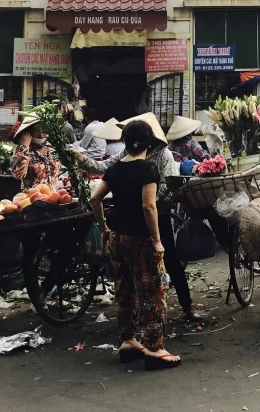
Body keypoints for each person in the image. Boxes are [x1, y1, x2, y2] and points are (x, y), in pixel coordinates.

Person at [77, 115, 202, 321]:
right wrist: (81, 159)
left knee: (169, 260)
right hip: (132, 217)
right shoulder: (125, 155)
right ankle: (141, 317)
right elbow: (102, 168)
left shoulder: (163, 156)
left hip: (156, 215)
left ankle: (186, 305)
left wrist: (144, 197)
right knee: (136, 270)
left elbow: (167, 186)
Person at [90, 119, 181, 369]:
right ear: (148, 142)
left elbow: (95, 198)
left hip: (118, 236)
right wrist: (157, 240)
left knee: (125, 290)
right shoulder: (147, 169)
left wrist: (104, 228)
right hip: (140, 239)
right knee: (152, 291)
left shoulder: (115, 169)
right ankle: (154, 348)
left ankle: (128, 340)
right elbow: (148, 206)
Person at [10, 115, 61, 189]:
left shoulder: (52, 149)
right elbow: (17, 174)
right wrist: (24, 146)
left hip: (53, 196)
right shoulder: (22, 150)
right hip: (32, 196)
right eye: (36, 131)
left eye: (43, 130)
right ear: (28, 133)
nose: (41, 135)